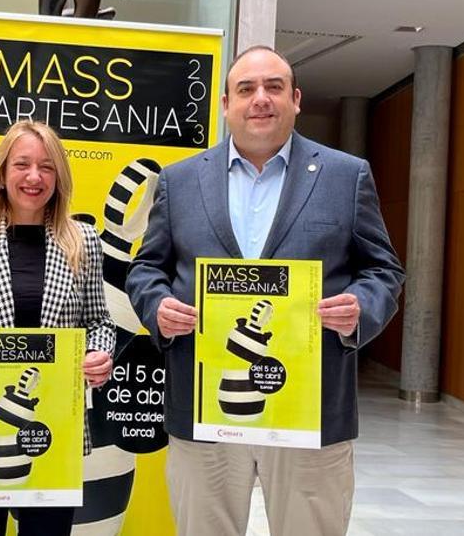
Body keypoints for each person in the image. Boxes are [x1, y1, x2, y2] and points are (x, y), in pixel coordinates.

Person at [125, 46, 405, 536]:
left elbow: (383, 269)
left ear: (295, 99)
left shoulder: (345, 175)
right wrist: (159, 306)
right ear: (225, 103)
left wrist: (361, 308)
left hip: (310, 410)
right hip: (205, 408)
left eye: (274, 87)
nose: (261, 99)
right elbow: (147, 269)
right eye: (246, 89)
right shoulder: (180, 180)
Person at [0, 120, 117, 535]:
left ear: (59, 176)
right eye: (23, 165)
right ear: (3, 172)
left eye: (47, 167)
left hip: (54, 431)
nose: (34, 177)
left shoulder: (83, 239)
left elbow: (99, 322)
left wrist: (100, 354)